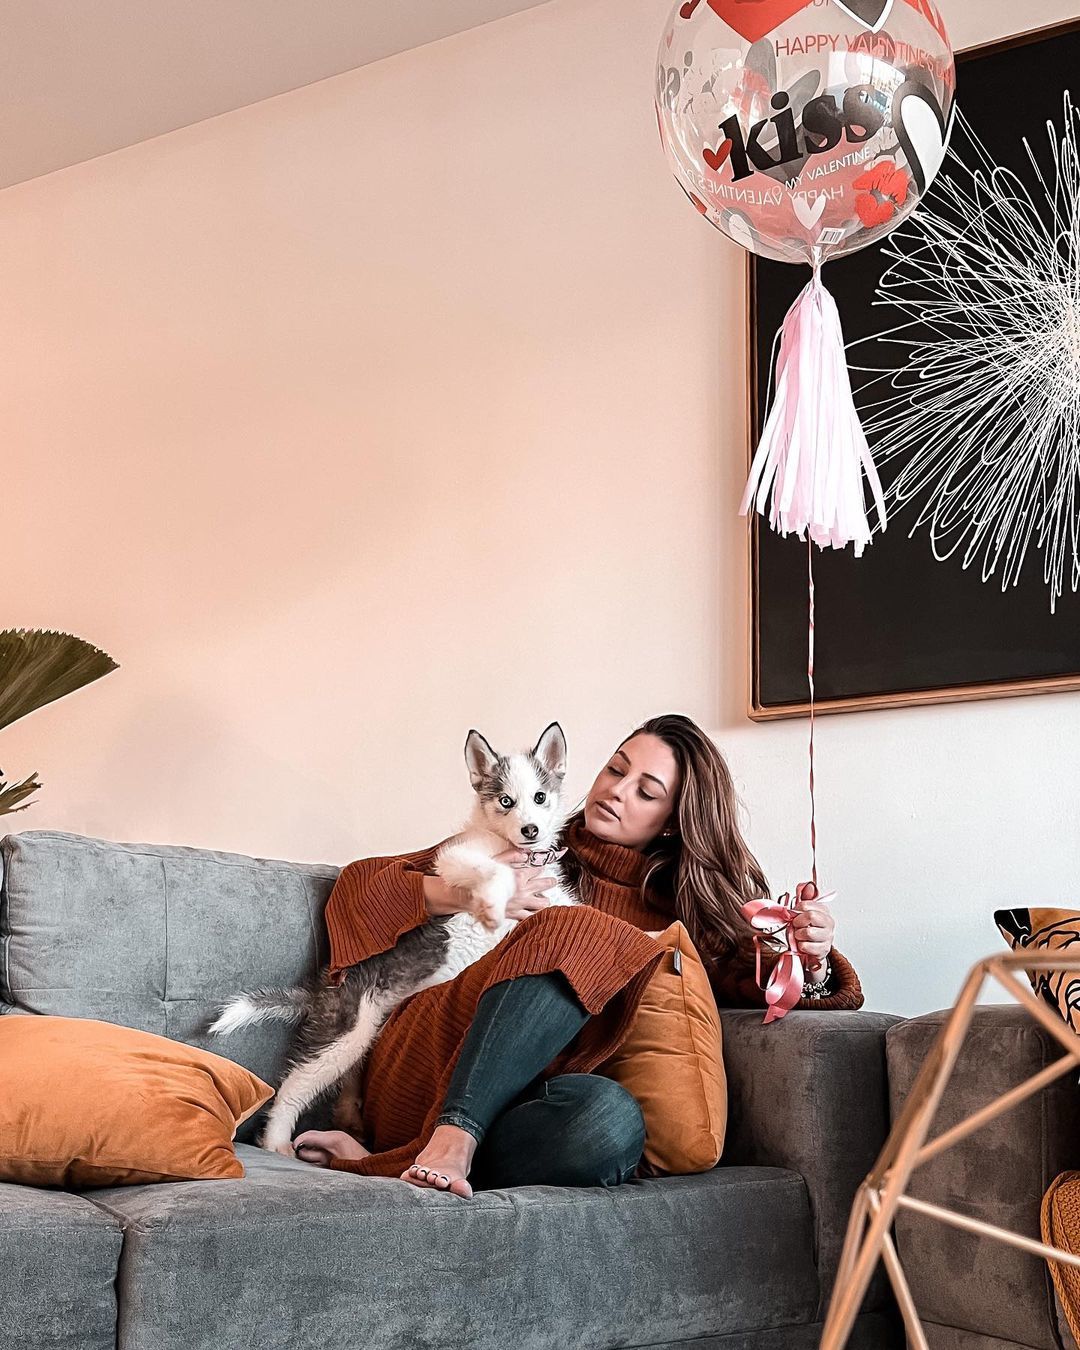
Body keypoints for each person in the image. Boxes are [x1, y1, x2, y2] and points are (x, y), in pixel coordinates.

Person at [292, 713, 861, 1196]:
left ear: (672, 822)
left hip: (522, 1099)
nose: (616, 790)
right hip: (425, 1057)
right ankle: (447, 1138)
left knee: (608, 1120)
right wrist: (468, 893)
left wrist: (811, 962)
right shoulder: (519, 840)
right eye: (616, 769)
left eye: (646, 791)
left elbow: (754, 983)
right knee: (575, 927)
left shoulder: (680, 914)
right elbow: (358, 888)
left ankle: (409, 1160)